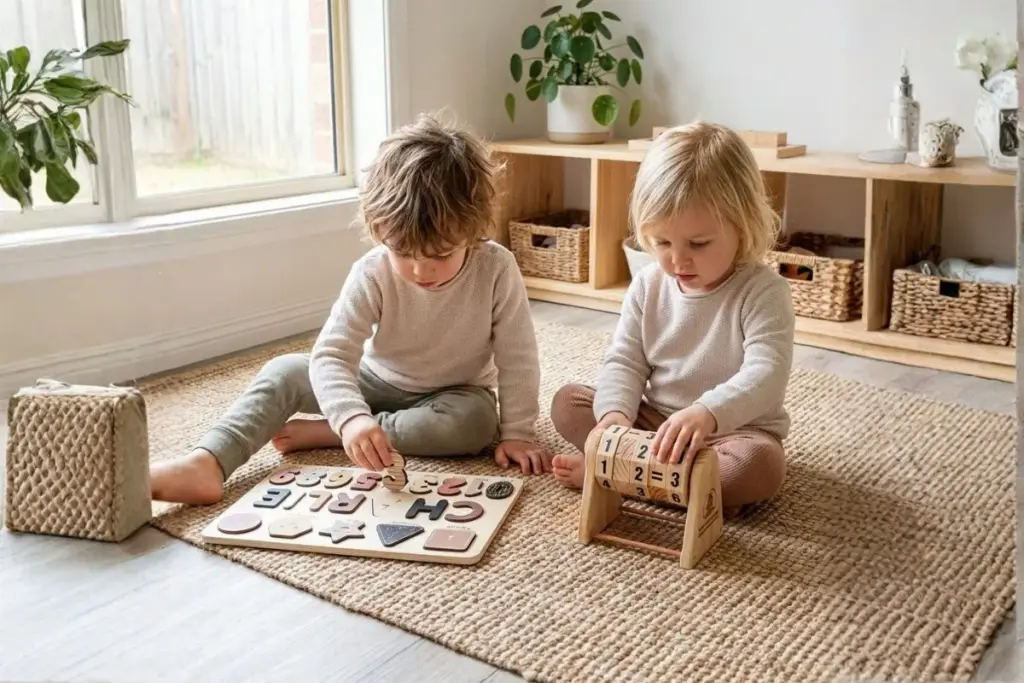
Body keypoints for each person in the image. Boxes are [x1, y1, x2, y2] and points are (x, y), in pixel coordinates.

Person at [151, 112, 547, 505]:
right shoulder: (372, 272)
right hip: (376, 379)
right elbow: (333, 355)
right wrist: (350, 416)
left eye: (441, 254)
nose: (419, 270)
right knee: (284, 372)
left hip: (455, 394)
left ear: (474, 231)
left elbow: (518, 355)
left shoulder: (496, 267)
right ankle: (207, 462)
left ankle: (329, 432)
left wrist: (518, 433)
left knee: (476, 425)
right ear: (378, 231)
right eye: (402, 252)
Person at [549, 120, 794, 517]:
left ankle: (619, 476)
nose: (678, 259)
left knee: (762, 466)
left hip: (729, 433)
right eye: (662, 242)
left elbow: (766, 375)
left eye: (698, 244)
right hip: (654, 425)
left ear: (743, 224)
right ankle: (683, 486)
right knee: (568, 403)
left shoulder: (764, 292)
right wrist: (614, 419)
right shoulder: (648, 284)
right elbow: (626, 360)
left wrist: (707, 413)